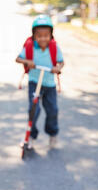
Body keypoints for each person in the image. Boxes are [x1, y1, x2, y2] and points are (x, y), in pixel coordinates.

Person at [15, 15, 64, 149]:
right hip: (34, 82)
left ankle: (53, 134)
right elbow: (18, 59)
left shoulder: (54, 48)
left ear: (51, 35)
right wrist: (27, 61)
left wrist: (57, 68)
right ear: (34, 36)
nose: (43, 38)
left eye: (46, 35)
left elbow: (61, 62)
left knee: (52, 110)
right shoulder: (30, 47)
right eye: (39, 35)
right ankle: (30, 136)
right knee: (33, 110)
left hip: (49, 84)